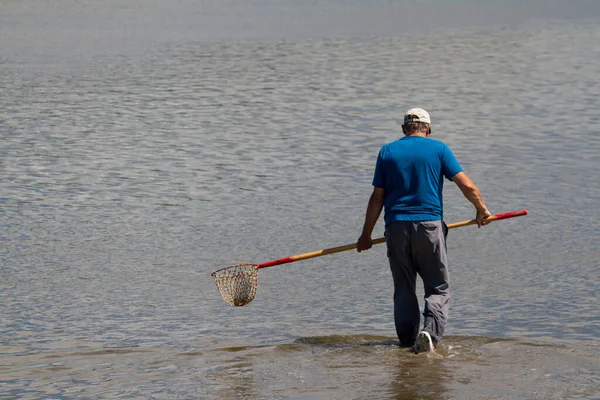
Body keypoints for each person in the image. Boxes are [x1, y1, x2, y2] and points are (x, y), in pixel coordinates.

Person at [356, 108, 491, 353]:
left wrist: (365, 235)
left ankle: (408, 343)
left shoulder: (387, 151)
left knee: (404, 289)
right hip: (430, 227)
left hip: (396, 229)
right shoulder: (439, 149)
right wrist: (481, 209)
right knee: (438, 288)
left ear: (403, 129)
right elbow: (467, 185)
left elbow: (377, 198)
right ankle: (430, 333)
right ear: (428, 129)